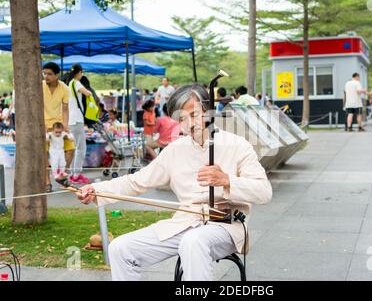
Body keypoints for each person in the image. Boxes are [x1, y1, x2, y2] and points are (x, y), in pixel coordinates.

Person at [76, 83, 272, 281]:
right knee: (120, 248)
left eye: (194, 114)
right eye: (181, 119)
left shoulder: (237, 145)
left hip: (226, 226)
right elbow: (137, 181)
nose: (189, 124)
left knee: (193, 242)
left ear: (208, 111)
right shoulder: (175, 149)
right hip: (184, 223)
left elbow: (264, 192)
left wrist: (227, 181)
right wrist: (96, 189)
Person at [42, 62, 76, 192]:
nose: (46, 76)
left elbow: (65, 109)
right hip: (43, 124)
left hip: (59, 125)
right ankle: (47, 181)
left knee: (71, 148)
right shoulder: (40, 85)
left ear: (57, 75)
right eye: (45, 73)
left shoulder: (64, 88)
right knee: (44, 153)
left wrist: (65, 126)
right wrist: (42, 125)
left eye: (49, 74)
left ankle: (61, 175)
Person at [65, 64, 93, 185]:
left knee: (74, 147)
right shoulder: (76, 83)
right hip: (76, 119)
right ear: (80, 72)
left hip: (72, 119)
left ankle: (72, 174)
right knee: (81, 148)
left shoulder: (69, 83)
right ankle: (76, 175)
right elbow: (88, 93)